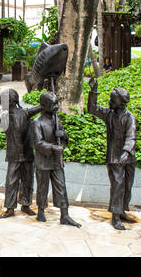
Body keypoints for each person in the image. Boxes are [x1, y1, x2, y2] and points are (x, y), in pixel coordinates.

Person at [0, 89, 41, 219]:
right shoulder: (5, 118)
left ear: (11, 101)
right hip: (14, 155)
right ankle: (10, 208)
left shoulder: (25, 113)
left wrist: (50, 90)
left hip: (27, 154)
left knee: (27, 180)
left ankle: (26, 204)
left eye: (2, 100)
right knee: (11, 182)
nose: (0, 103)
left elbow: (43, 105)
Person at [88, 78, 137, 230]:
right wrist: (93, 91)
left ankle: (121, 210)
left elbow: (131, 136)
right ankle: (115, 217)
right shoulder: (108, 113)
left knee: (127, 186)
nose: (110, 101)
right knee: (117, 186)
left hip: (128, 157)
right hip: (114, 157)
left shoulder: (129, 117)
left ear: (121, 102)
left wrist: (126, 152)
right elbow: (92, 108)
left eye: (112, 99)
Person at [30, 91, 81, 228]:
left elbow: (64, 140)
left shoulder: (56, 120)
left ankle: (65, 215)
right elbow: (37, 143)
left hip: (56, 161)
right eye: (53, 104)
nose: (56, 107)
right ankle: (41, 210)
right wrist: (53, 148)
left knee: (61, 187)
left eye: (57, 103)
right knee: (42, 187)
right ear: (43, 105)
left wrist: (63, 135)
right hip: (43, 161)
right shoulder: (37, 123)